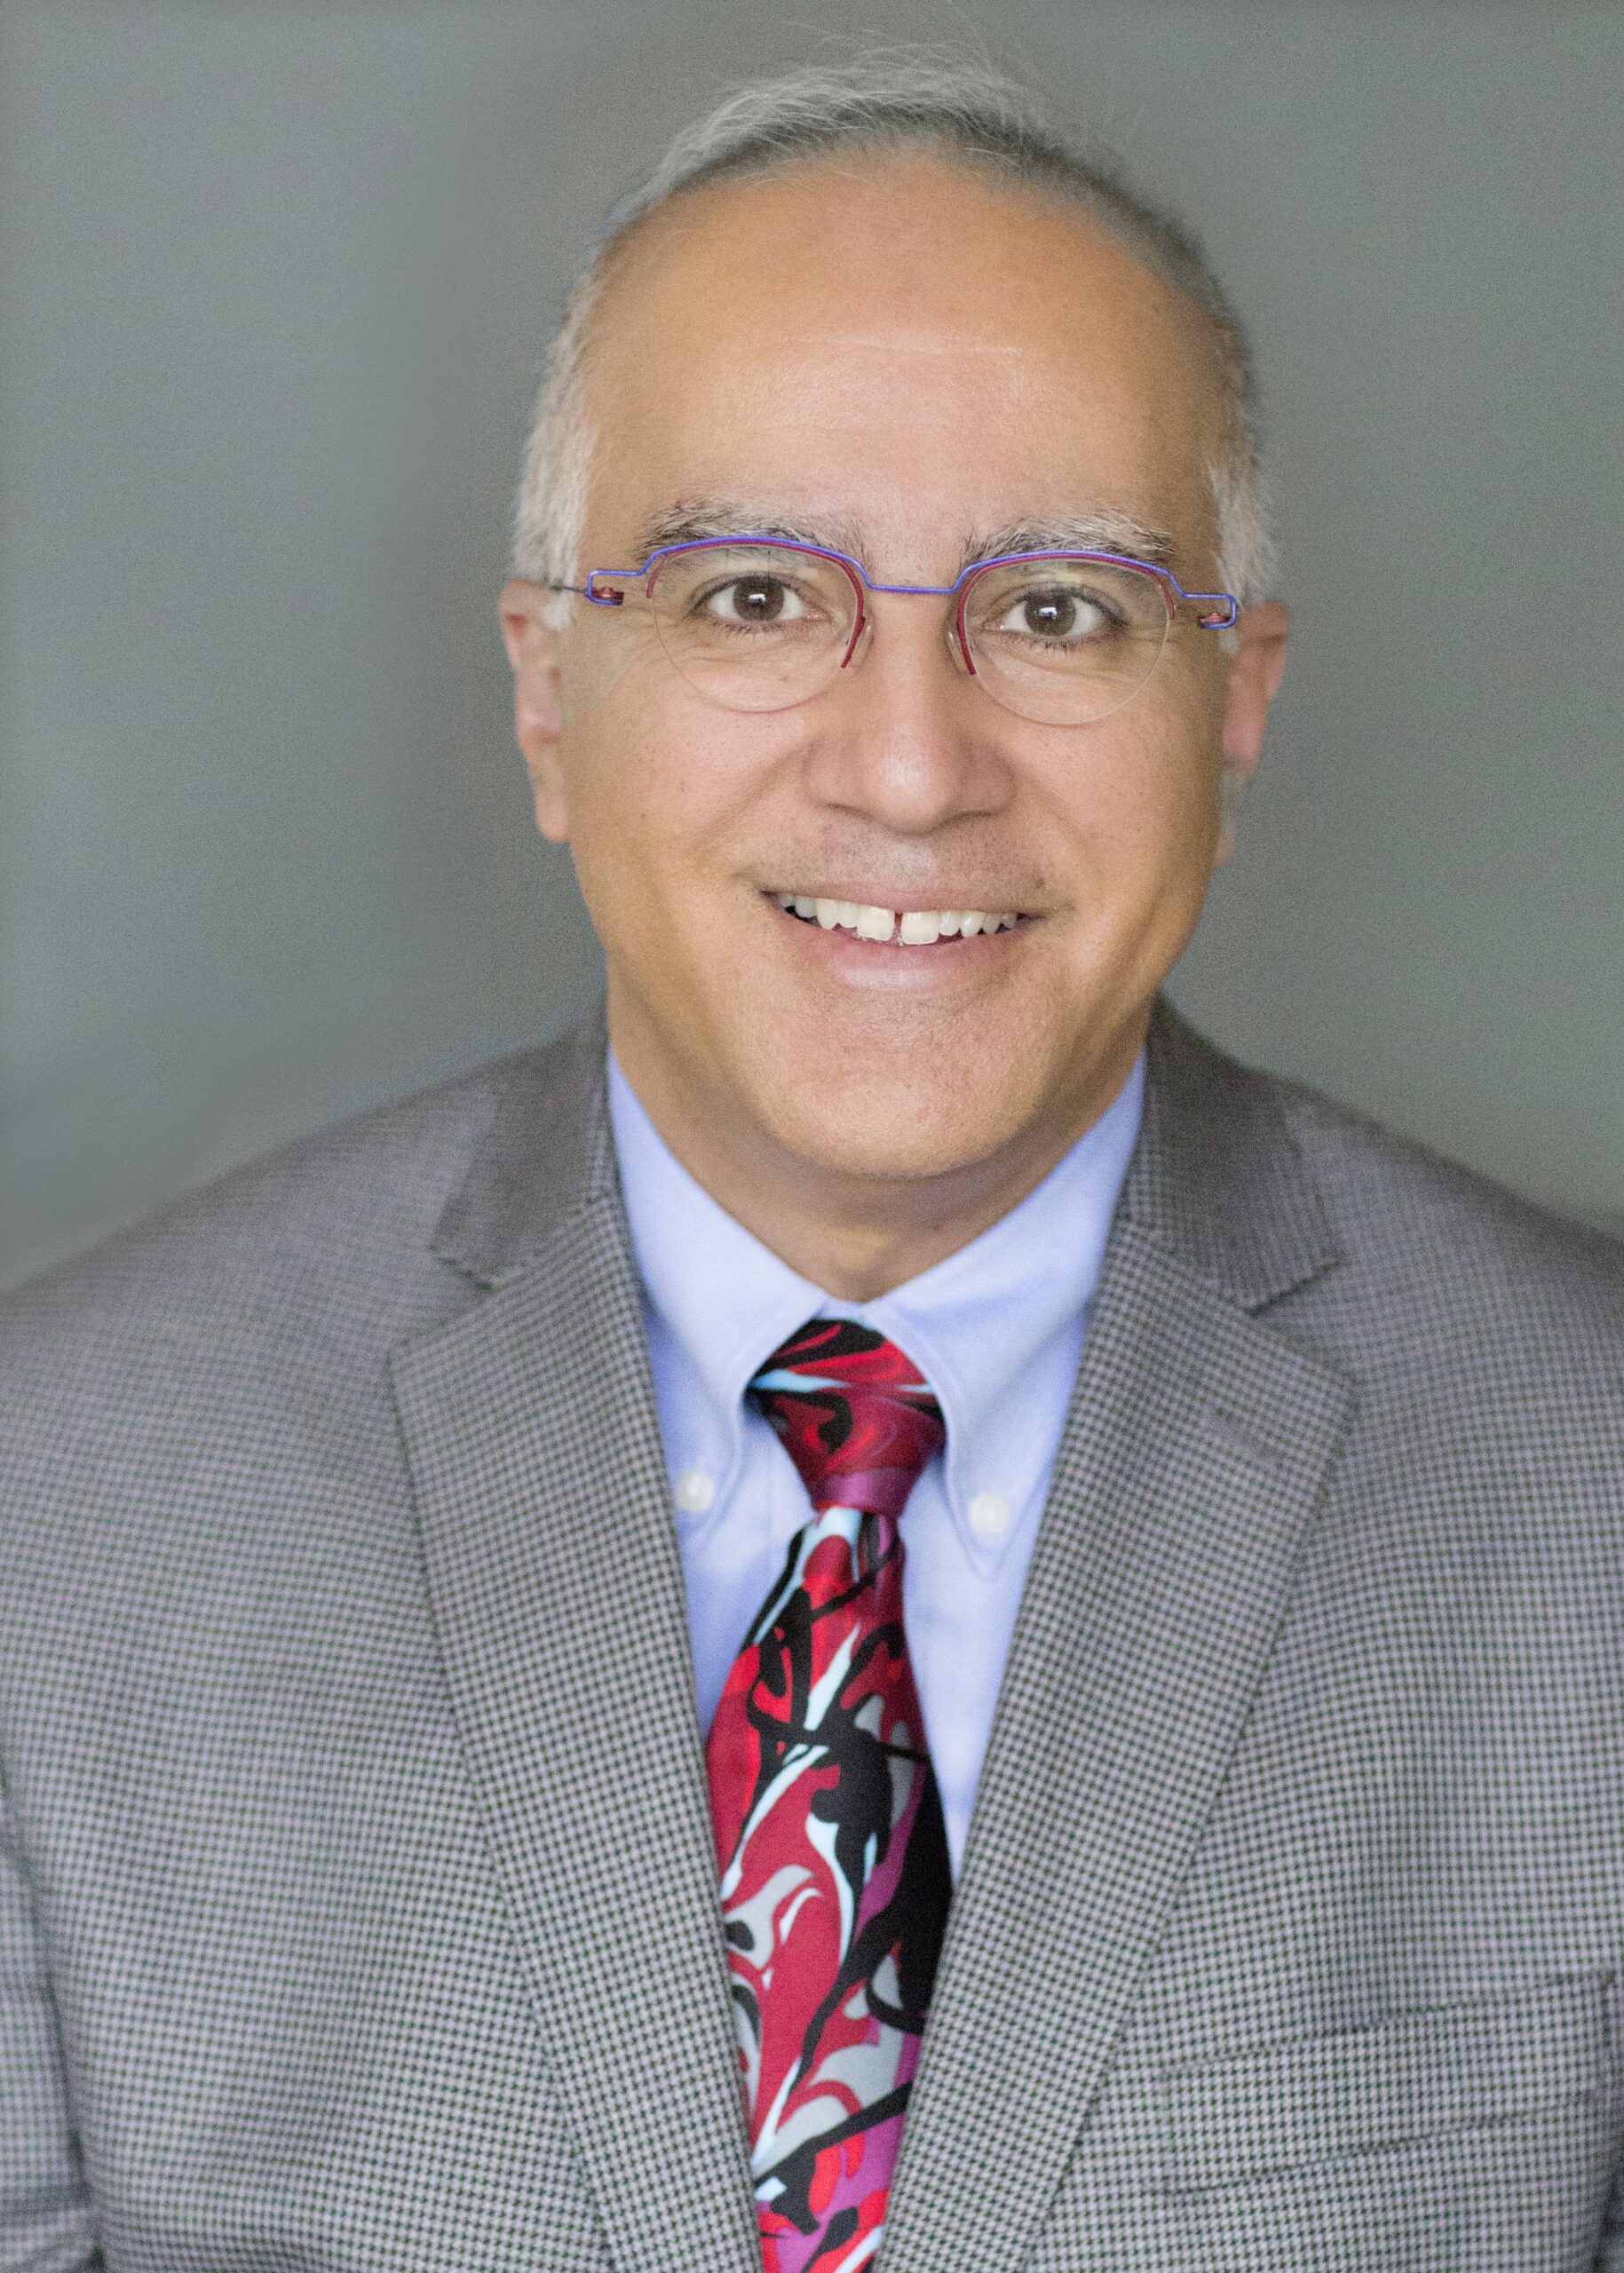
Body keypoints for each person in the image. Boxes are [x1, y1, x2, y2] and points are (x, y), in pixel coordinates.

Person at [3, 55, 1622, 2273]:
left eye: (1059, 608)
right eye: (754, 593)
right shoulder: (57, 1509)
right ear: (550, 693)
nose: (910, 762)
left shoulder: (1591, 1492)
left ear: (1233, 706)